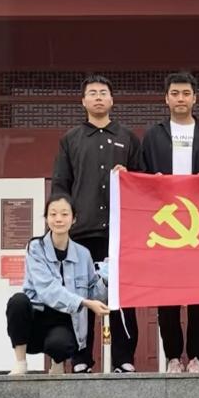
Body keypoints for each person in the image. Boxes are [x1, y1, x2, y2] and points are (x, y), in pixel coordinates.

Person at [51, 75, 142, 372]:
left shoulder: (128, 138)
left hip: (118, 232)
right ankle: (81, 359)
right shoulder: (71, 139)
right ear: (84, 101)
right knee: (81, 296)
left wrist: (129, 176)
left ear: (112, 100)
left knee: (121, 296)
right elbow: (61, 185)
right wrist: (62, 224)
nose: (98, 97)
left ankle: (124, 359)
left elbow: (144, 182)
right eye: (92, 93)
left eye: (103, 92)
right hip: (81, 232)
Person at [141, 71, 199, 373]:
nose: (181, 98)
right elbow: (141, 174)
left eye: (186, 93)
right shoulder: (153, 135)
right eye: (175, 93)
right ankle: (173, 356)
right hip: (165, 225)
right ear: (166, 98)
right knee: (167, 295)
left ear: (195, 98)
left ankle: (197, 356)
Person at [6, 194, 111, 376]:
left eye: (64, 214)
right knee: (18, 301)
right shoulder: (35, 248)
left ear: (74, 219)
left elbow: (94, 292)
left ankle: (57, 364)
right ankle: (20, 362)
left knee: (60, 344)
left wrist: (108, 278)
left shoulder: (83, 254)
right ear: (47, 218)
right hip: (35, 320)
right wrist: (84, 303)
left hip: (64, 322)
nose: (58, 219)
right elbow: (47, 289)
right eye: (53, 214)